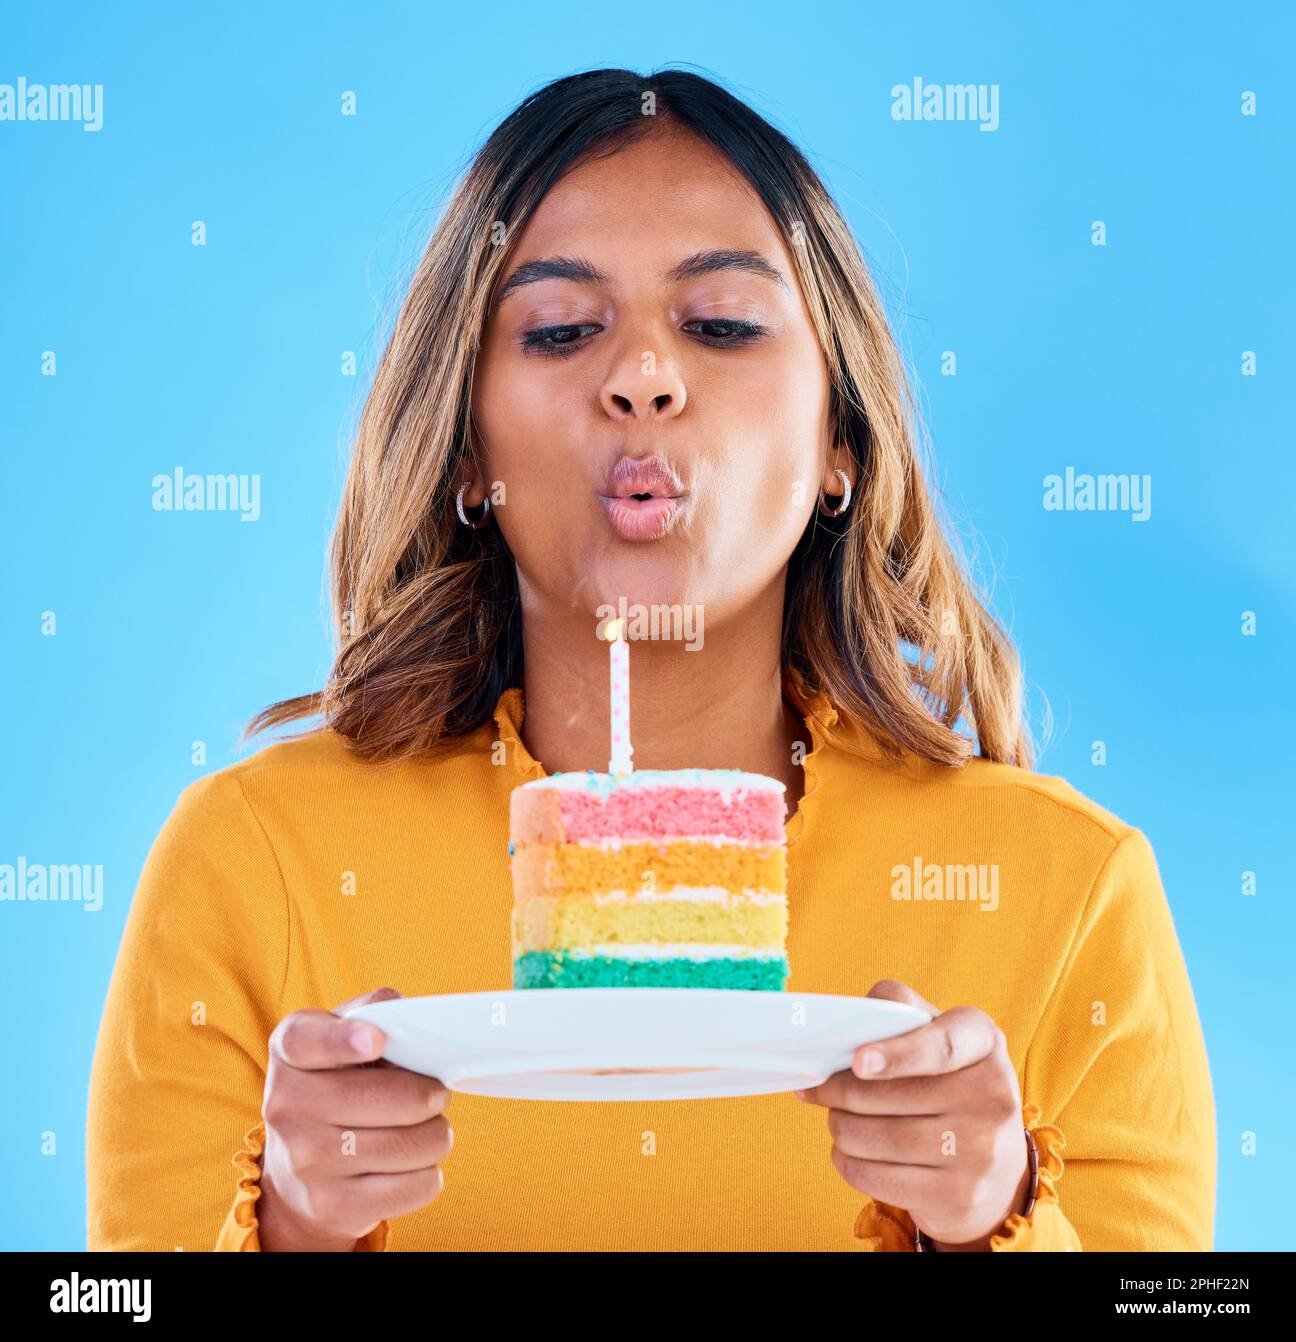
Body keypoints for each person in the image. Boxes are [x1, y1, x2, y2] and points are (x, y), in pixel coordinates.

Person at [86, 67, 1215, 1252]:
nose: (641, 377)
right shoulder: (254, 867)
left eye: (721, 324)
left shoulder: (1067, 891)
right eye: (563, 330)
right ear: (466, 447)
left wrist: (987, 1221)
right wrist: (293, 1231)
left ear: (840, 439)